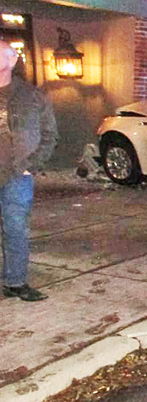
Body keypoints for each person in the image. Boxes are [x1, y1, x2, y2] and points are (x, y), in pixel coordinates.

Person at [0, 40, 58, 301]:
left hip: (15, 176)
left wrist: (32, 166)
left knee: (15, 227)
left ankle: (15, 281)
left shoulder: (32, 95)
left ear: (11, 61)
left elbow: (50, 135)